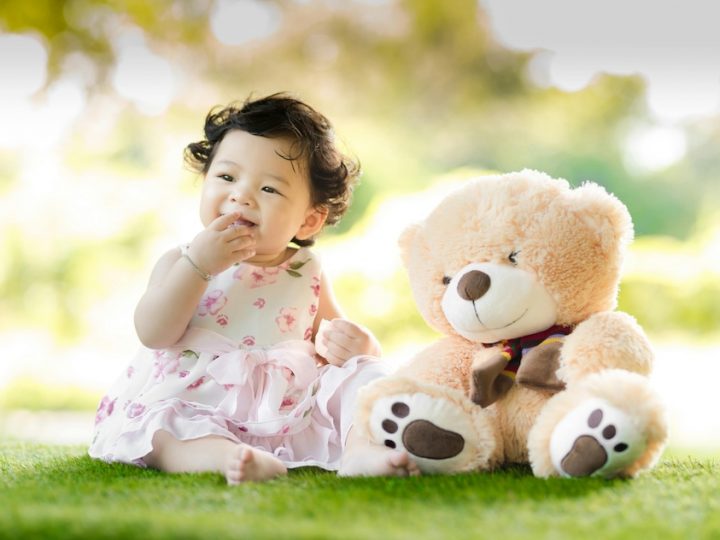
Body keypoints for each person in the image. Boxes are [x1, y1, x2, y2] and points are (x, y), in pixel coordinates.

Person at [89, 93, 419, 482]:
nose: (241, 195)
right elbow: (154, 333)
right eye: (227, 177)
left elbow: (332, 344)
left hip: (285, 407)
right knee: (161, 430)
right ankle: (229, 457)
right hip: (199, 402)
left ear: (309, 221)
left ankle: (361, 452)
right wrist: (200, 266)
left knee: (365, 375)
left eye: (269, 190)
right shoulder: (182, 261)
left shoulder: (306, 269)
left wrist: (359, 347)